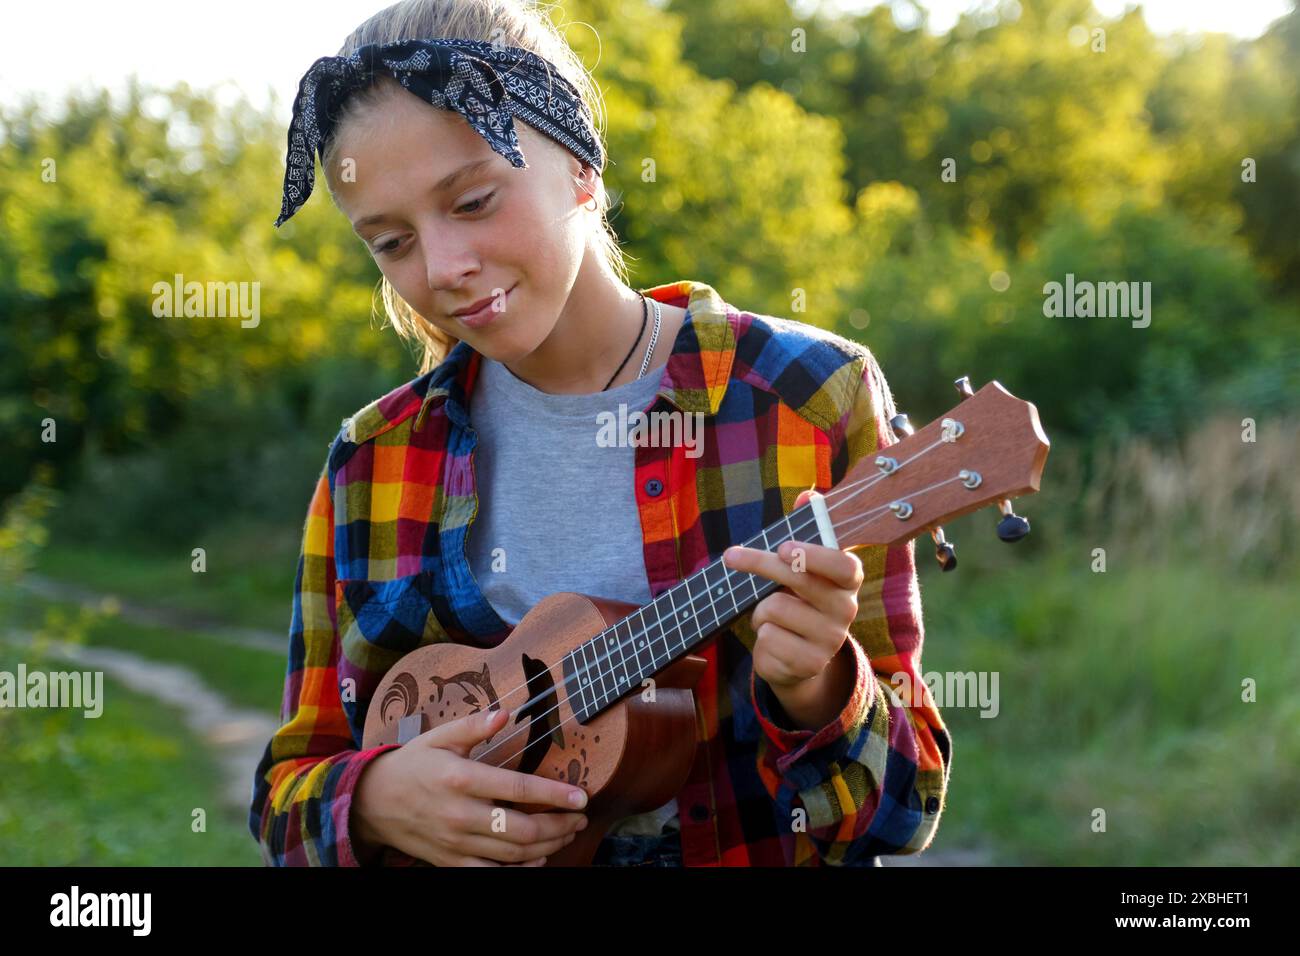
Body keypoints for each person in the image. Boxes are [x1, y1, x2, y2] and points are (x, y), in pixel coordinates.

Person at [249, 0, 951, 867]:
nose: (441, 269)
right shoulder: (374, 461)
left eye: (472, 200)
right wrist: (379, 803)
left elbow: (903, 810)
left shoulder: (802, 399)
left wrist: (819, 692)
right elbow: (286, 799)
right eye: (390, 242)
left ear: (581, 168)